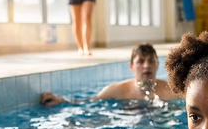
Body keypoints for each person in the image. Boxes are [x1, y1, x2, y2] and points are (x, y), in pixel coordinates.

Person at [40, 44, 180, 106]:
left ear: (157, 65)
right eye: (141, 61)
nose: (146, 65)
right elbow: (89, 102)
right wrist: (61, 100)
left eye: (151, 61)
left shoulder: (171, 91)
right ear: (131, 66)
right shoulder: (117, 90)